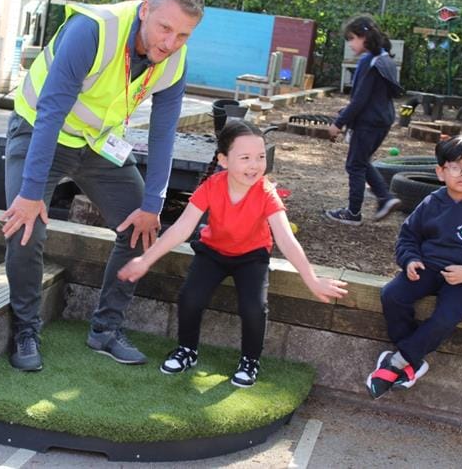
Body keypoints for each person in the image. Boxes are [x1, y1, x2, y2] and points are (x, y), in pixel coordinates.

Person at [2, 0, 205, 372]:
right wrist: (29, 194)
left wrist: (153, 204)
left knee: (141, 228)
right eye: (165, 28)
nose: (170, 43)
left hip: (97, 145)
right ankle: (26, 330)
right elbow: (51, 111)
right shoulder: (93, 30)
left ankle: (105, 330)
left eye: (183, 35)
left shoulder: (175, 60)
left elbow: (164, 134)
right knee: (24, 228)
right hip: (41, 133)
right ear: (145, 9)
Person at [118, 121, 349, 387]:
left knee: (253, 308)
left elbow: (286, 239)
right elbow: (181, 228)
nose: (255, 165)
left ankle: (250, 360)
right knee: (190, 297)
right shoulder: (211, 187)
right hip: (213, 252)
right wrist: (145, 260)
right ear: (224, 160)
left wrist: (312, 279)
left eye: (260, 157)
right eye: (246, 158)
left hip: (252, 257)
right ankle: (187, 350)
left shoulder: (266, 193)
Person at [366, 136, 462, 399]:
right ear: (441, 172)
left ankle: (398, 361)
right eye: (455, 167)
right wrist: (410, 259)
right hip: (428, 268)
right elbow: (408, 236)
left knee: (445, 317)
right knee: (392, 295)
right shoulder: (432, 202)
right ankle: (414, 361)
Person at [325, 15, 404, 226]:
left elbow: (360, 99)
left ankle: (353, 213)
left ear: (364, 37)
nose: (350, 43)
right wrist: (346, 112)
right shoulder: (385, 58)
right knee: (361, 161)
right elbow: (373, 96)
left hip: (369, 122)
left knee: (355, 165)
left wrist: (338, 123)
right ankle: (386, 199)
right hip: (382, 119)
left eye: (352, 38)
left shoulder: (368, 61)